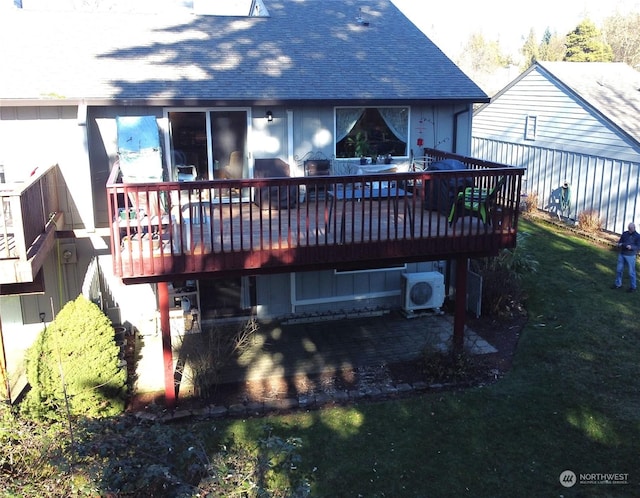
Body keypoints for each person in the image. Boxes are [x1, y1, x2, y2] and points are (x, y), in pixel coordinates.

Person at [612, 222, 640, 292]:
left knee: (631, 272)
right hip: (622, 254)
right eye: (629, 229)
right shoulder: (625, 234)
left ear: (634, 228)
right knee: (619, 270)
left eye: (631, 229)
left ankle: (633, 287)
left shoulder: (638, 236)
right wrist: (619, 244)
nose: (629, 230)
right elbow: (620, 241)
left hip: (631, 256)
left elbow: (638, 247)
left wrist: (631, 247)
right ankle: (618, 284)